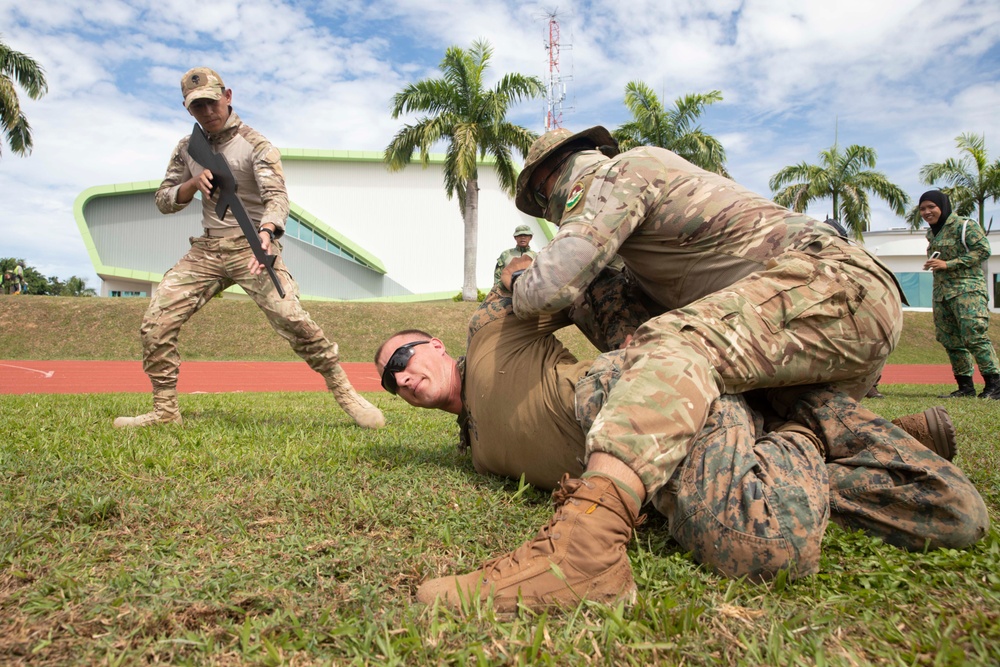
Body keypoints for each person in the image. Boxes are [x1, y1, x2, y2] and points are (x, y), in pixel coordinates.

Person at [375, 278, 988, 613]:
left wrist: (662, 346)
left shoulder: (489, 328)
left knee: (760, 542)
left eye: (402, 357)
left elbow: (583, 281)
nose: (401, 377)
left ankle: (804, 425)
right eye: (388, 379)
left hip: (631, 401)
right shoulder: (470, 443)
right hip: (652, 476)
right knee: (953, 516)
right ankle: (855, 437)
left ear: (431, 343)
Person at [114, 67, 383, 429]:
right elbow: (163, 200)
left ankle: (347, 395)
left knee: (293, 319)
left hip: (252, 248)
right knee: (155, 324)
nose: (208, 111)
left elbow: (277, 196)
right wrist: (192, 184)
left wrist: (268, 231)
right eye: (198, 106)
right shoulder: (185, 149)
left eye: (212, 101)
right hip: (206, 251)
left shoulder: (257, 145)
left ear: (228, 95)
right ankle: (165, 412)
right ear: (187, 108)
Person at [920, 190, 1000, 400]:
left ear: (942, 206)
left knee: (974, 336)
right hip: (942, 294)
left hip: (967, 291)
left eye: (931, 207)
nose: (927, 212)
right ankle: (965, 387)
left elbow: (983, 250)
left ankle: (995, 384)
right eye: (922, 209)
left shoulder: (965, 225)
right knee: (950, 340)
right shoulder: (931, 233)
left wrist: (949, 264)